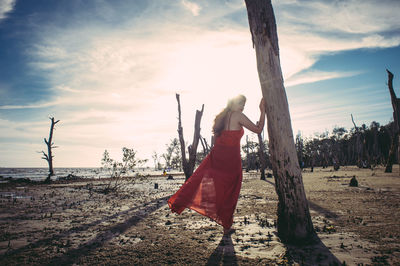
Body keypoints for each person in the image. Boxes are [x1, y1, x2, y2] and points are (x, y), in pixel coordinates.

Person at [168, 95, 266, 235]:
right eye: (240, 103)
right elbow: (258, 129)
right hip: (231, 160)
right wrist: (262, 111)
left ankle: (225, 224)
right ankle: (226, 225)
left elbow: (217, 141)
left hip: (217, 157)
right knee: (231, 192)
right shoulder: (237, 115)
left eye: (244, 104)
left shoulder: (221, 117)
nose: (242, 106)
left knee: (209, 186)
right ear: (232, 103)